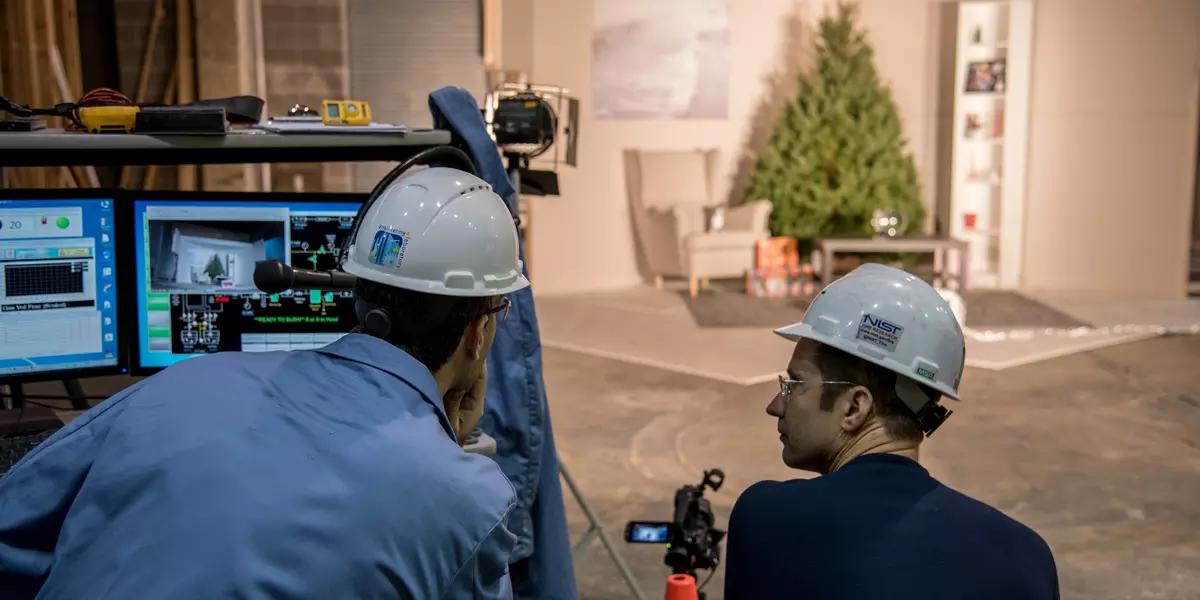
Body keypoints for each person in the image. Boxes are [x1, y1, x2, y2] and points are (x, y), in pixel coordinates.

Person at [0, 167, 528, 598]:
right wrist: (442, 452)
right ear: (479, 332)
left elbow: (13, 528)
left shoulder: (180, 385)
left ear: (360, 293)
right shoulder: (467, 502)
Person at [724, 264, 1059, 600]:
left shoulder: (768, 520)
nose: (775, 406)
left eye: (794, 384)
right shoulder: (1027, 558)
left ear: (855, 407)